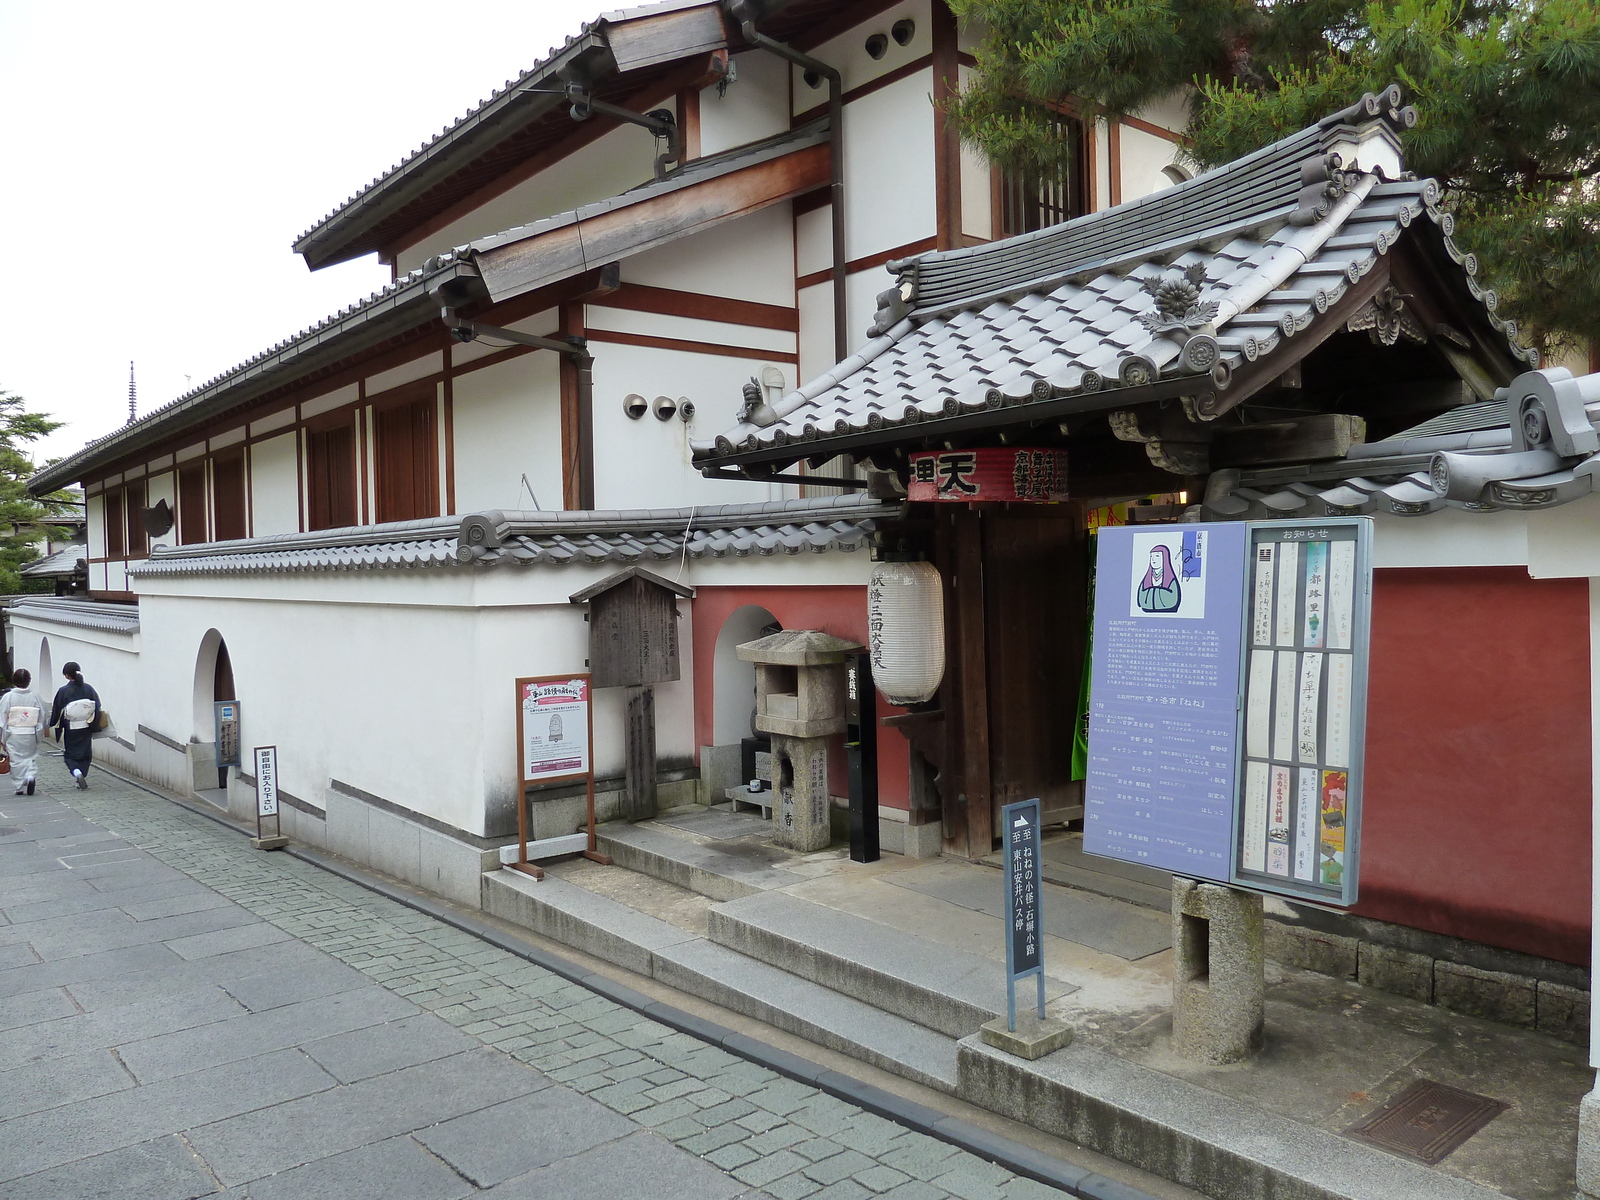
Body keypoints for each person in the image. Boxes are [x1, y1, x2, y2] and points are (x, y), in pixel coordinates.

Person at [49, 662, 100, 790]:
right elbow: (97, 705)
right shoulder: (88, 689)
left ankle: (76, 772)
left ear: (66, 675)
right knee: (85, 752)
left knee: (70, 754)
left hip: (71, 727)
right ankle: (82, 774)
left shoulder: (63, 691)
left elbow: (57, 709)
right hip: (87, 726)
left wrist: (52, 722)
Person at [0, 669, 47, 796]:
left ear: (14, 681)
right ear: (28, 681)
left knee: (16, 759)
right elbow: (42, 714)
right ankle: (30, 775)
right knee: (29, 756)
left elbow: (3, 717)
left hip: (14, 732)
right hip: (31, 731)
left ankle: (19, 786)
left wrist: (3, 735)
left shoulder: (8, 697)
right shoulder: (35, 696)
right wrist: (39, 729)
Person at [1137, 544, 1182, 614]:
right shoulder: (1147, 578)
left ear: (1165, 558)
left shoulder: (1170, 579)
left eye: (1157, 556)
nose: (1153, 559)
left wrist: (1153, 591)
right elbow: (1141, 596)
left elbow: (1173, 598)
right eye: (1151, 556)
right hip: (1147, 610)